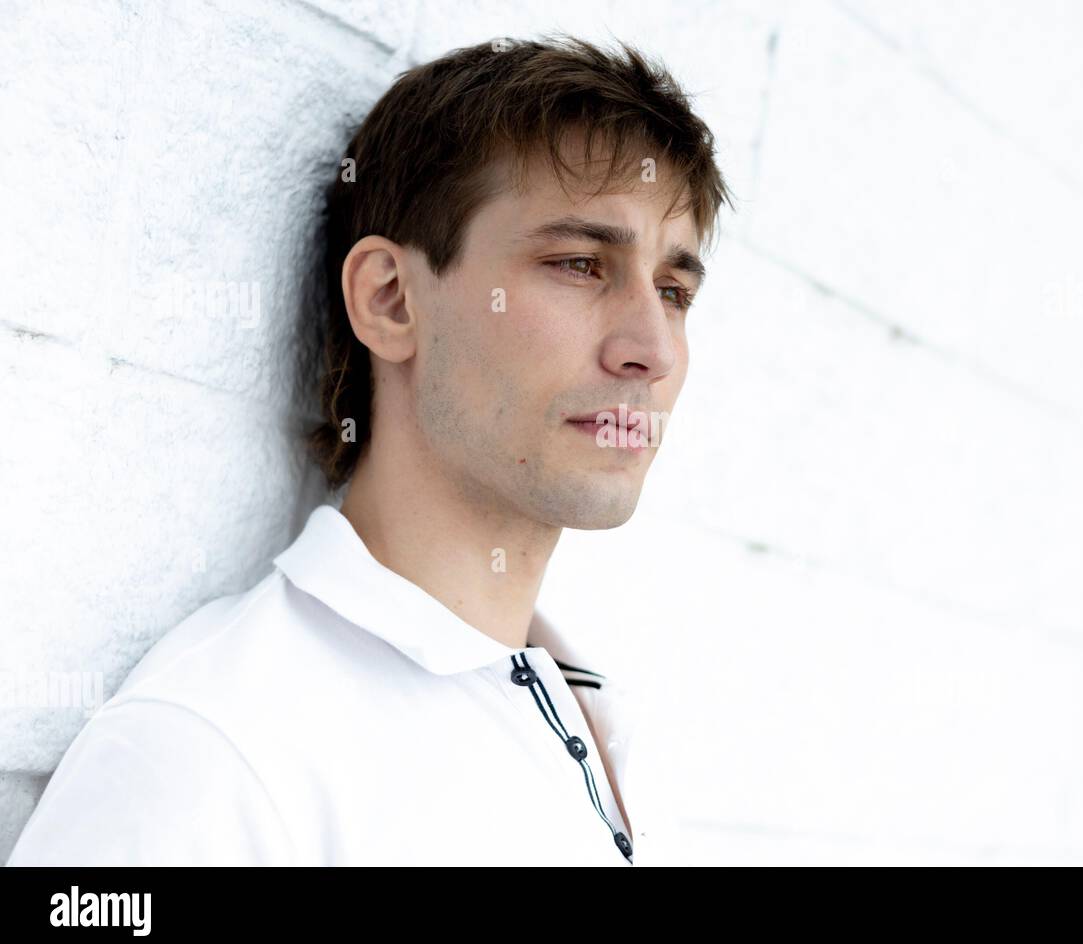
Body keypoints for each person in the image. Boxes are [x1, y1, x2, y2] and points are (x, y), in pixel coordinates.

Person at [6, 34, 732, 866]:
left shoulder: (599, 715)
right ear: (390, 300)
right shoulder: (217, 751)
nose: (655, 348)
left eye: (674, 291)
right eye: (578, 264)